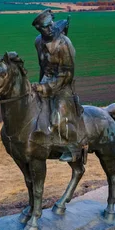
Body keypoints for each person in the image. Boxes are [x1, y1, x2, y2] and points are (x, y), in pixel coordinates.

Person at [32, 9, 85, 162]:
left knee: (57, 118)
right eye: (44, 27)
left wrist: (46, 88)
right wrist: (39, 85)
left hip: (63, 85)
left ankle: (73, 148)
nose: (49, 29)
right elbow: (42, 66)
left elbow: (67, 74)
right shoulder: (38, 41)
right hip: (45, 82)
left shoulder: (64, 44)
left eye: (50, 25)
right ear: (39, 29)